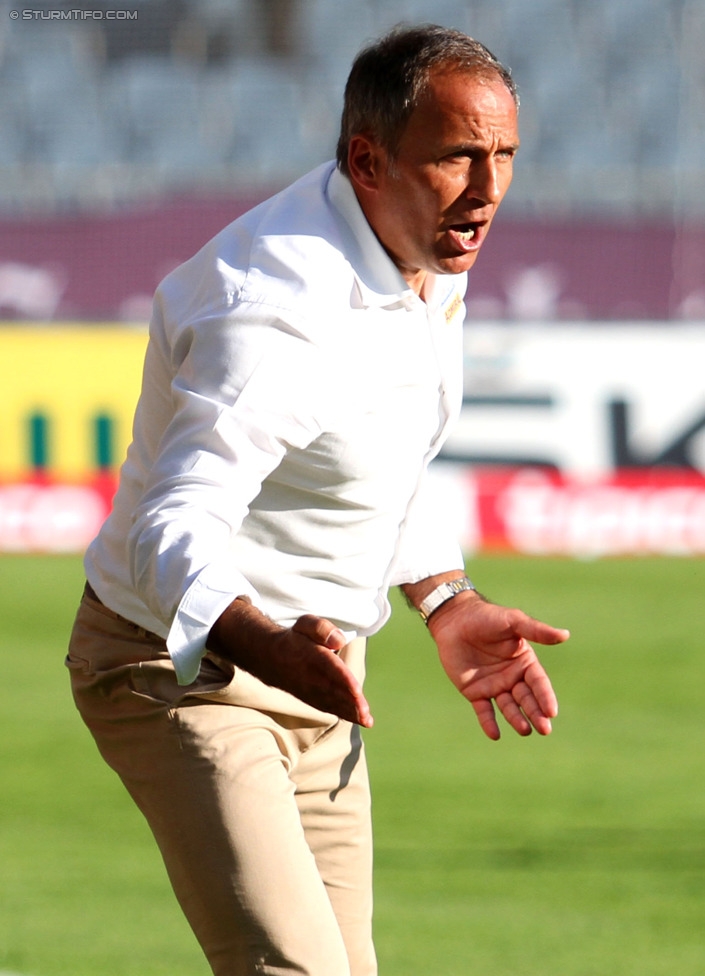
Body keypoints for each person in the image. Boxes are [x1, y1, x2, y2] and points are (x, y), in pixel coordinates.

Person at [67, 23, 570, 976]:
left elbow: (379, 453)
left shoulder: (417, 244)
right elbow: (172, 525)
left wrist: (444, 599)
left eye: (504, 154)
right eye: (459, 156)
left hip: (317, 676)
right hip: (181, 672)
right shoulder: (276, 311)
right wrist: (261, 646)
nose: (489, 189)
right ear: (367, 158)